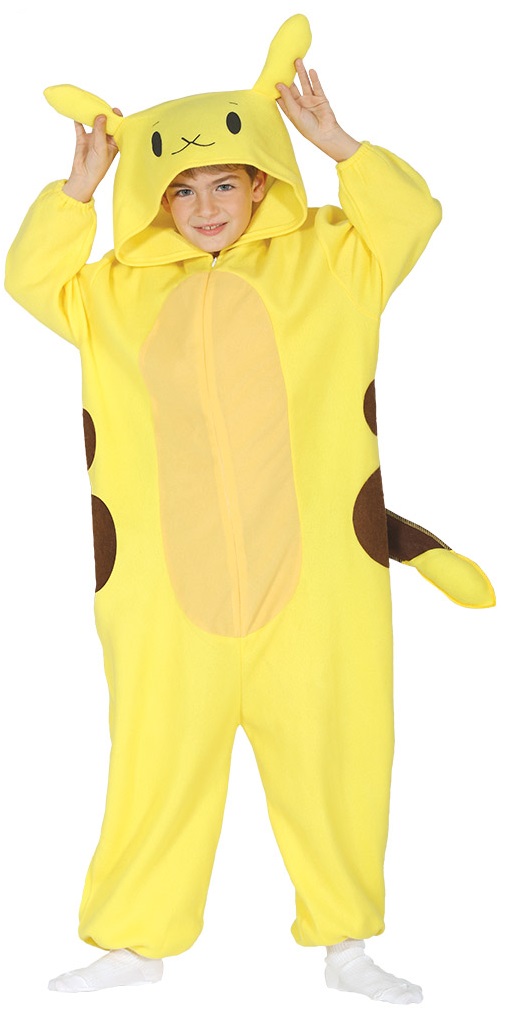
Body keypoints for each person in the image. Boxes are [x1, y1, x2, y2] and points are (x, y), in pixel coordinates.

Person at [6, 12, 491, 1006]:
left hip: (317, 584)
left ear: (263, 180)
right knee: (152, 761)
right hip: (160, 593)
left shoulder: (333, 262)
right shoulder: (110, 295)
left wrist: (337, 144)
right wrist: (78, 191)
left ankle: (346, 939)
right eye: (180, 188)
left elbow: (411, 218)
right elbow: (29, 278)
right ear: (154, 198)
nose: (203, 205)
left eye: (224, 181)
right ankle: (134, 940)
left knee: (336, 750)